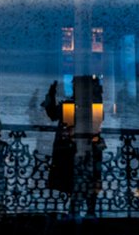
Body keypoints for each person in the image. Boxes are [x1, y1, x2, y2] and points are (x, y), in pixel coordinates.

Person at [42, 75, 104, 216]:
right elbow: (96, 125)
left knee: (77, 182)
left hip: (76, 150)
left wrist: (50, 95)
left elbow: (55, 116)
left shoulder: (71, 106)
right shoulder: (95, 105)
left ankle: (76, 212)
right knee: (88, 182)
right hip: (90, 149)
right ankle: (88, 212)